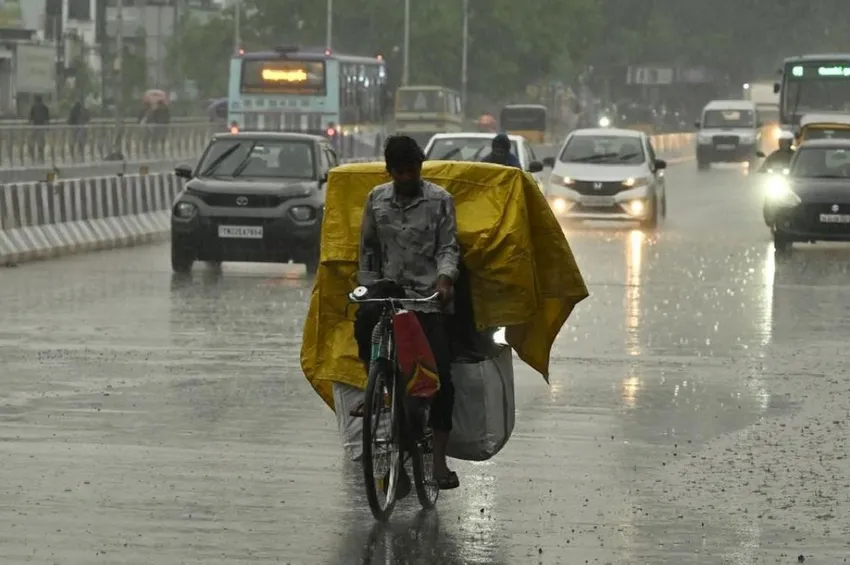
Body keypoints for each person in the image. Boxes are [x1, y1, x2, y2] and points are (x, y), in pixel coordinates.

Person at [354, 134, 461, 492]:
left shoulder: (440, 201)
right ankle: (373, 387)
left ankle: (439, 463)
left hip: (427, 298)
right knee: (362, 325)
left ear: (420, 168)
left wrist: (445, 281)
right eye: (398, 173)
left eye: (411, 171)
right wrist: (366, 287)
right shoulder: (376, 200)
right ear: (389, 171)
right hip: (388, 294)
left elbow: (448, 247)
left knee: (440, 379)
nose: (405, 178)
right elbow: (368, 250)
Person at [28, 95, 50, 163]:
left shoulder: (33, 106)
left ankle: (33, 158)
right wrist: (47, 127)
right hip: (42, 127)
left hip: (35, 127)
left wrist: (29, 126)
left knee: (31, 143)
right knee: (41, 143)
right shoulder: (45, 107)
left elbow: (30, 118)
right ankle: (41, 157)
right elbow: (47, 118)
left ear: (36, 100)